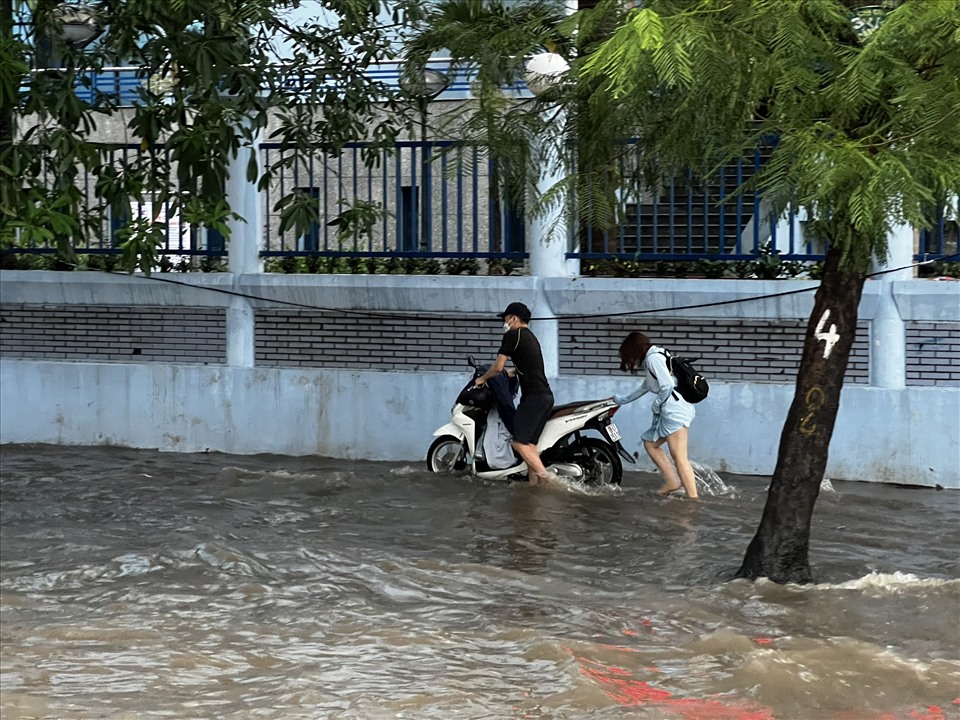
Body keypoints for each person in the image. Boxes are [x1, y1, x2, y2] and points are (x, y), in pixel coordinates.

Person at [474, 302, 559, 486]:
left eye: (505, 319)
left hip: (534, 398)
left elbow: (497, 367)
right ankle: (533, 488)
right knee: (530, 447)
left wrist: (483, 379)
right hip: (545, 396)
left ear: (513, 318)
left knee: (518, 444)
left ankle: (549, 480)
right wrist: (509, 373)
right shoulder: (530, 337)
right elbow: (524, 368)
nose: (503, 323)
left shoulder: (513, 335)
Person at [614, 331, 699, 498]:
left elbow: (666, 385)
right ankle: (672, 482)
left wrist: (656, 405)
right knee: (650, 443)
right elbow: (647, 385)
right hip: (673, 410)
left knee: (680, 457)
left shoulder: (653, 359)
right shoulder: (657, 355)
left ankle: (693, 498)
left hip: (674, 411)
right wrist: (621, 399)